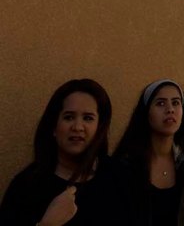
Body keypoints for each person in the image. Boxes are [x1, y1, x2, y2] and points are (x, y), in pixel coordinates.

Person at [0, 78, 121, 226]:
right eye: (68, 117)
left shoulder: (121, 178)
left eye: (88, 118)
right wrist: (48, 224)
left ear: (100, 128)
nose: (77, 127)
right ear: (54, 127)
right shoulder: (27, 185)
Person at [114, 79, 184, 226]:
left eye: (176, 103)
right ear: (146, 112)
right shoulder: (125, 165)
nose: (170, 109)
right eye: (160, 103)